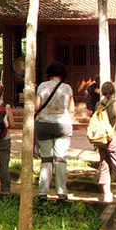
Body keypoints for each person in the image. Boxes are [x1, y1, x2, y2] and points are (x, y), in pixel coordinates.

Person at [35, 62, 75, 200]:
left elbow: (36, 106)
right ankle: (61, 192)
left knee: (46, 159)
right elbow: (72, 109)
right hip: (63, 124)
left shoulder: (42, 86)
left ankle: (42, 193)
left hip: (44, 124)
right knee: (60, 159)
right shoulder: (67, 88)